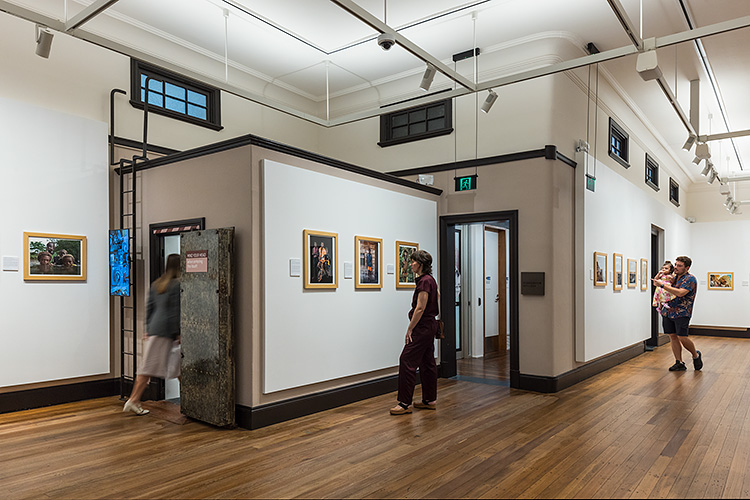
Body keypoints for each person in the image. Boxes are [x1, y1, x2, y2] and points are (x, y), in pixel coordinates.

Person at [123, 253, 181, 415]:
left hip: (156, 328)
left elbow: (149, 308)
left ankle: (193, 401)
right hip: (166, 330)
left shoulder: (157, 284)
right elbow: (175, 311)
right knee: (148, 367)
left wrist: (147, 328)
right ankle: (133, 400)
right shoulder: (177, 285)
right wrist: (178, 332)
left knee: (176, 366)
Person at [390, 250, 439, 415]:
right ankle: (429, 400)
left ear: (421, 264)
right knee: (427, 362)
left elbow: (420, 307)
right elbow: (437, 296)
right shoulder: (430, 280)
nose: (410, 264)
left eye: (413, 262)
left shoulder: (424, 281)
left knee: (406, 360)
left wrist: (410, 328)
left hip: (422, 327)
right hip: (430, 325)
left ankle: (404, 403)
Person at [652, 255, 703, 372]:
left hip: (682, 313)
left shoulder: (690, 279)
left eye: (679, 266)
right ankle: (679, 362)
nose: (676, 267)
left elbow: (680, 293)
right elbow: (657, 285)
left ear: (687, 268)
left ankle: (695, 355)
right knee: (672, 336)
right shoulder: (672, 277)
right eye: (675, 265)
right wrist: (659, 280)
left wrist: (663, 285)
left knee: (682, 337)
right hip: (668, 311)